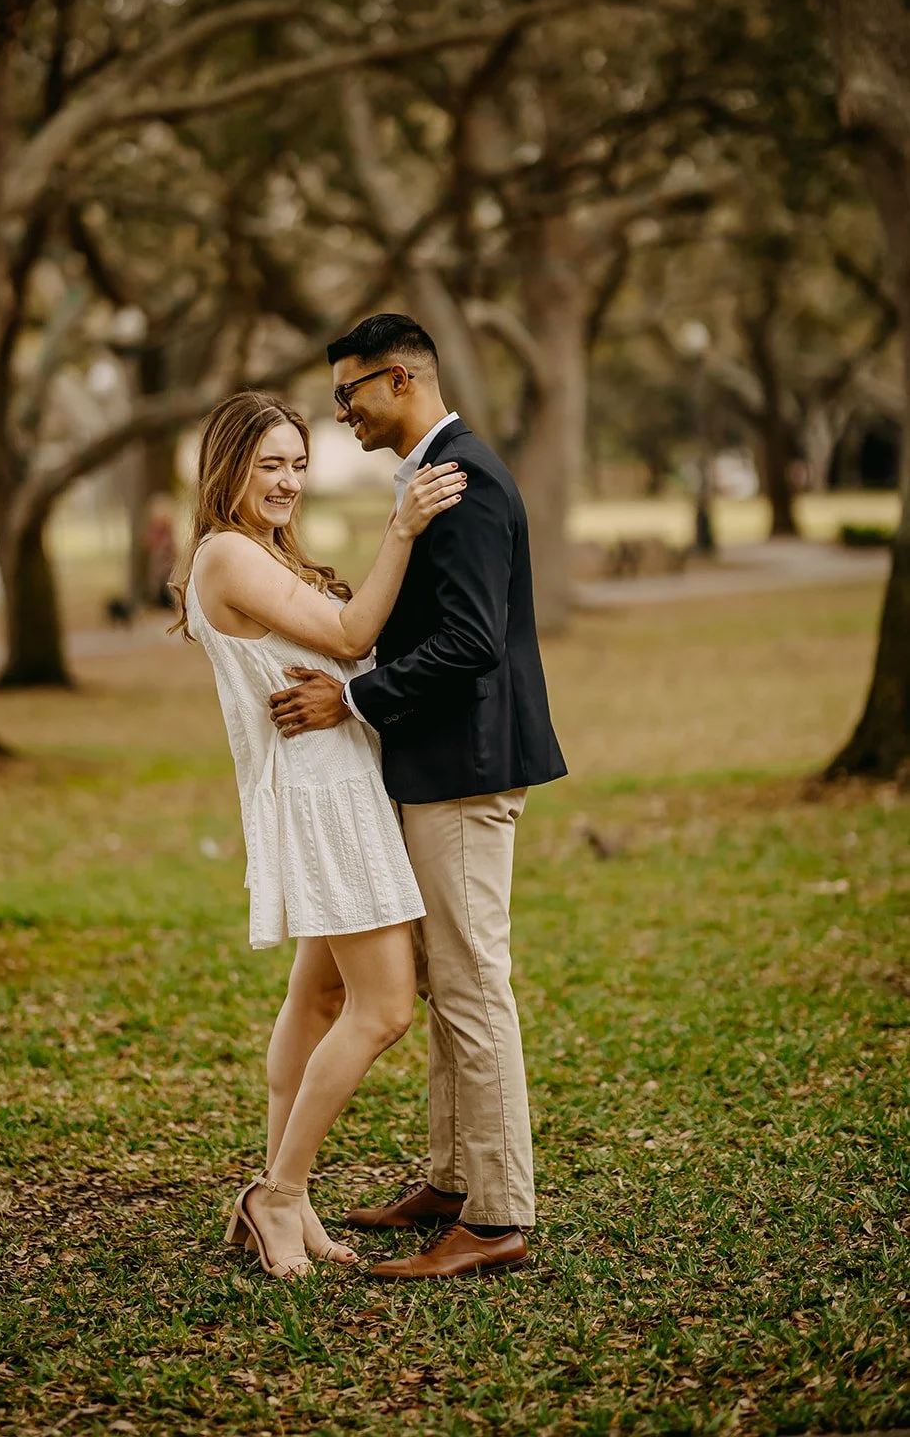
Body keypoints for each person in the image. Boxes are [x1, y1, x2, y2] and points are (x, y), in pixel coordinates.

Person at [269, 314, 567, 1280]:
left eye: (348, 395)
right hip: (437, 765)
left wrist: (351, 698)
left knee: (474, 984)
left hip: (468, 769)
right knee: (445, 978)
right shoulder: (433, 472)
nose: (340, 414)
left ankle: (496, 1221)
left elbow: (473, 641)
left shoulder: (465, 479)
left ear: (398, 381)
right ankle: (449, 1182)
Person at [168, 389, 467, 1280]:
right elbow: (348, 629)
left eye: (299, 463)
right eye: (270, 465)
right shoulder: (225, 553)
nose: (288, 481)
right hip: (323, 795)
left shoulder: (260, 551)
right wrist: (402, 528)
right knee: (381, 1008)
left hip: (333, 786)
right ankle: (280, 1194)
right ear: (228, 466)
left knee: (322, 1003)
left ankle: (277, 1193)